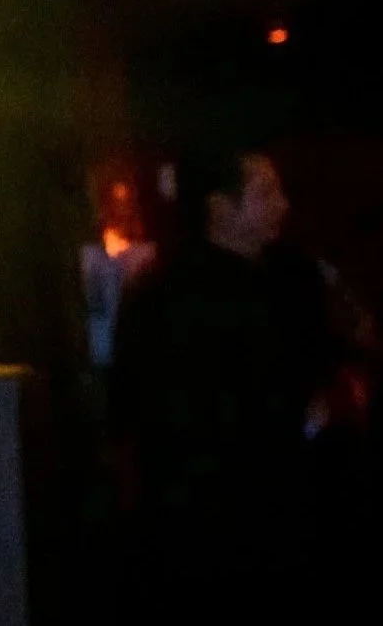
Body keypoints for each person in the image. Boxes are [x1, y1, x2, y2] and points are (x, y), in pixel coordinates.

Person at [111, 142, 372, 619]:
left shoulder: (290, 275)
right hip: (218, 524)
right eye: (264, 193)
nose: (282, 206)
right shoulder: (170, 297)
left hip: (289, 518)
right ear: (219, 207)